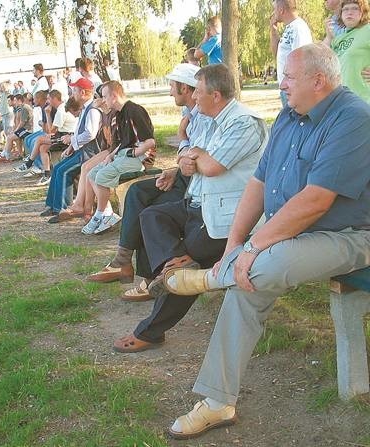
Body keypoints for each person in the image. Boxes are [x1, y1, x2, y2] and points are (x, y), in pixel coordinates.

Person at [159, 44, 370, 440]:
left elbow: (315, 201)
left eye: (288, 76)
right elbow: (258, 183)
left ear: (318, 81)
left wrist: (252, 248)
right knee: (246, 281)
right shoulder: (291, 116)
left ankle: (206, 280)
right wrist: (232, 247)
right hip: (292, 234)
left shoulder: (354, 119)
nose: (281, 83)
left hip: (351, 236)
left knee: (264, 264)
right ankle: (218, 401)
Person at [108, 63, 268, 354]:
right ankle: (173, 265)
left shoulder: (243, 123)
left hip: (229, 219)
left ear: (216, 95)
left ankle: (151, 329)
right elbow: (190, 161)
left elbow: (211, 166)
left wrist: (194, 155)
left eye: (199, 93)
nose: (194, 98)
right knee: (152, 215)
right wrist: (188, 157)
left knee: (190, 257)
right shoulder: (212, 118)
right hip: (203, 205)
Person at [87, 63, 208, 300]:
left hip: (198, 186)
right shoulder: (190, 115)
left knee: (150, 209)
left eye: (172, 86)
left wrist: (182, 141)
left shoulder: (202, 117)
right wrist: (175, 169)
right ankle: (124, 262)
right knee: (137, 193)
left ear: (185, 87)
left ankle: (146, 278)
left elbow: (197, 157)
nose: (170, 91)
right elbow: (191, 159)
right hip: (187, 177)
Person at [82, 81, 156, 235]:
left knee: (102, 175)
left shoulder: (135, 111)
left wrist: (133, 153)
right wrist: (111, 154)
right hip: (125, 155)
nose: (103, 100)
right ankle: (106, 214)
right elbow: (123, 142)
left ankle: (101, 214)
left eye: (104, 97)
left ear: (114, 96)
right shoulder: (119, 114)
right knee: (92, 174)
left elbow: (149, 142)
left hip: (140, 159)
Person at [40, 79, 104, 217]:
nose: (72, 93)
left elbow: (90, 134)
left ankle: (62, 208)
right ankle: (53, 205)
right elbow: (81, 131)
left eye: (74, 90)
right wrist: (71, 146)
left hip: (90, 153)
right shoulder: (86, 108)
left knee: (64, 172)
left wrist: (72, 140)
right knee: (57, 168)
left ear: (82, 92)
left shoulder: (92, 109)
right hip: (83, 150)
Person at [270, 0, 312, 106]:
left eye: (274, 10)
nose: (273, 13)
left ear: (281, 10)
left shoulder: (298, 28)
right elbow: (277, 55)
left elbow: (301, 59)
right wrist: (274, 32)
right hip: (287, 87)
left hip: (295, 89)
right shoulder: (289, 28)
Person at [329, 0, 370, 102]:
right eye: (345, 9)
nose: (349, 12)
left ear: (363, 12)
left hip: (363, 99)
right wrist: (329, 36)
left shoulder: (367, 30)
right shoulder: (339, 38)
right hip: (342, 101)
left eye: (355, 8)